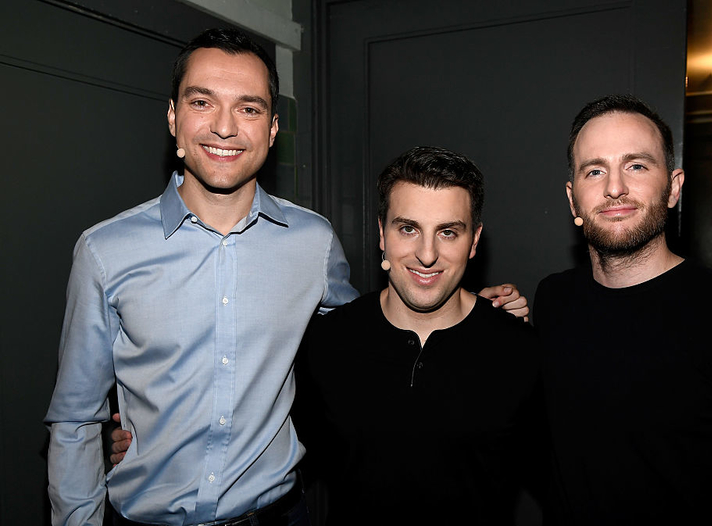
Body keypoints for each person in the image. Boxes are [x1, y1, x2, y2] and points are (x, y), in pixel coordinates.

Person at [44, 29, 525, 526]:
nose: (225, 127)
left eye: (249, 108)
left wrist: (469, 314)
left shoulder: (313, 242)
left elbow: (368, 338)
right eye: (203, 102)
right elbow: (76, 418)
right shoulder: (105, 250)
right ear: (173, 116)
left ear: (272, 130)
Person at [534, 94, 712, 525]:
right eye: (595, 170)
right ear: (572, 199)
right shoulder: (552, 300)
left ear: (674, 187)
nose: (614, 187)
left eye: (636, 165)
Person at [293, 146, 540, 525]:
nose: (427, 254)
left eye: (448, 232)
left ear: (474, 241)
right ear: (382, 233)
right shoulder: (328, 343)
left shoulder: (520, 351)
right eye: (408, 228)